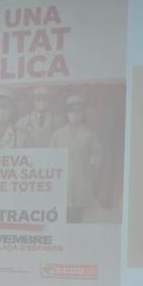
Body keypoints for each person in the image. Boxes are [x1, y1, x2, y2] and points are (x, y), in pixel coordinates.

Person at [49, 95, 103, 223]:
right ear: (66, 113)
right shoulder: (58, 134)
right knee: (61, 215)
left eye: (78, 111)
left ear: (83, 113)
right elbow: (50, 156)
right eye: (71, 110)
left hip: (82, 178)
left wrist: (91, 166)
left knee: (77, 216)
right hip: (62, 179)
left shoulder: (89, 134)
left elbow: (97, 153)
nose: (75, 114)